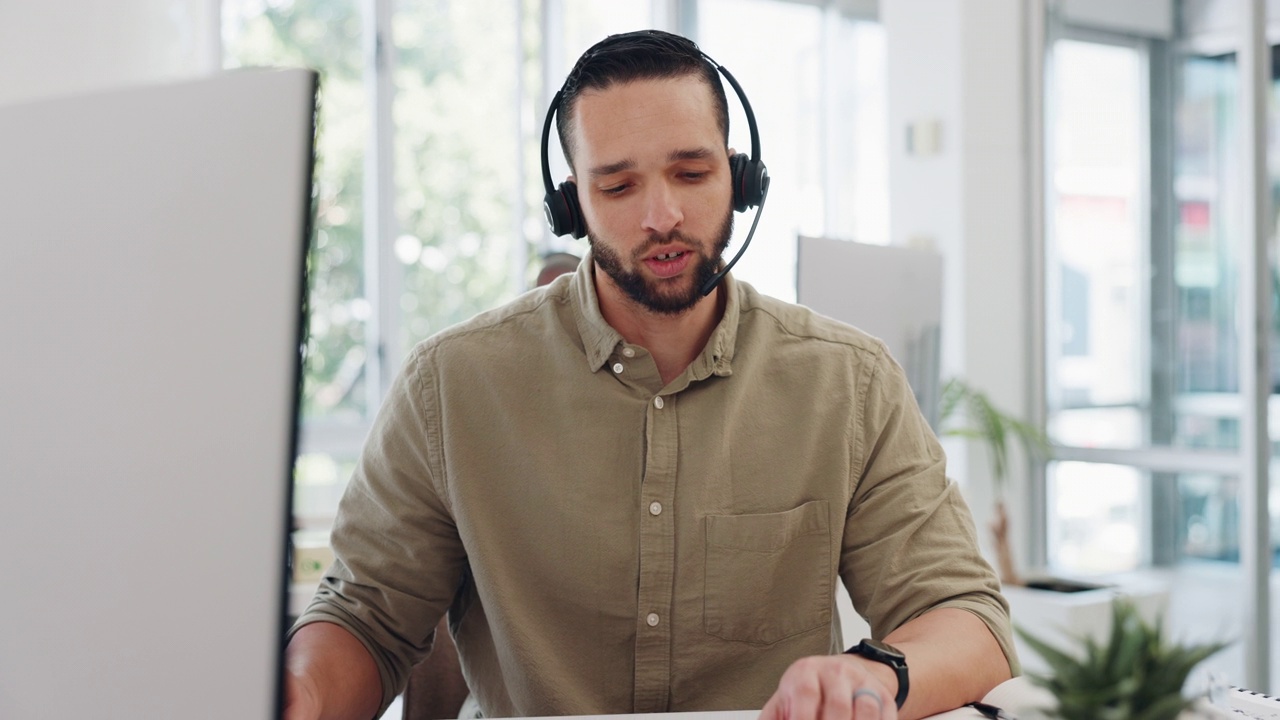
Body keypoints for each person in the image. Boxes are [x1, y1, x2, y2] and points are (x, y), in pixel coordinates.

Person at [284, 30, 1017, 720]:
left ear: (739, 175)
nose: (662, 215)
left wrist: (875, 675)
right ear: (573, 204)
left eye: (691, 173)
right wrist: (300, 692)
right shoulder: (450, 387)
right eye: (618, 187)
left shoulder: (848, 383)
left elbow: (969, 619)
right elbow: (366, 620)